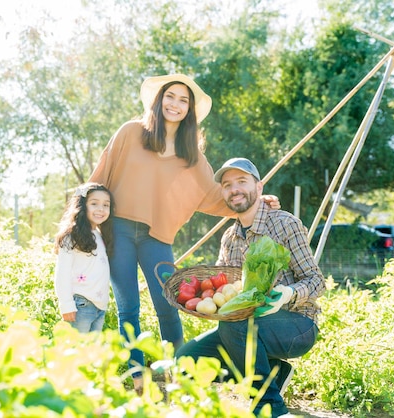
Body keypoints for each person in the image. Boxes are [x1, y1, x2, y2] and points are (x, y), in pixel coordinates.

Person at [88, 74, 280, 391]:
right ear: (159, 99)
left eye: (183, 100)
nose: (175, 104)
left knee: (169, 303)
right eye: (170, 96)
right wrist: (80, 223)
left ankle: (176, 373)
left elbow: (217, 196)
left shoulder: (192, 157)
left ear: (189, 110)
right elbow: (99, 178)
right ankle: (137, 376)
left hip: (156, 238)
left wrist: (257, 199)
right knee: (128, 308)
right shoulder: (130, 133)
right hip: (117, 231)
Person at [175, 158, 326, 418]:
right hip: (247, 326)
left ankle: (272, 410)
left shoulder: (284, 224)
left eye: (242, 182)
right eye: (227, 185)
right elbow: (223, 292)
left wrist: (288, 295)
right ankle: (275, 371)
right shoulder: (229, 238)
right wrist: (203, 296)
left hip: (297, 324)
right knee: (187, 361)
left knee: (235, 324)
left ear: (259, 186)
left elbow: (316, 281)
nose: (234, 189)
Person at [53, 182, 114, 333]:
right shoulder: (72, 236)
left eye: (106, 205)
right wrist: (66, 304)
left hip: (99, 307)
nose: (101, 209)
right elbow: (62, 273)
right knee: (76, 352)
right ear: (82, 205)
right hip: (80, 305)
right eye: (94, 204)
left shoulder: (100, 235)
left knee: (90, 353)